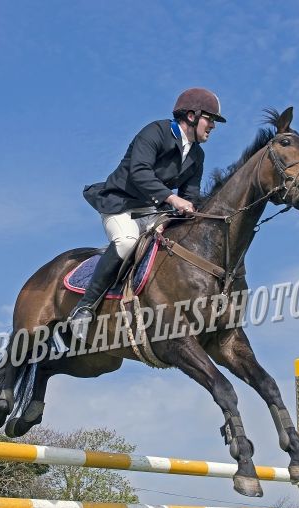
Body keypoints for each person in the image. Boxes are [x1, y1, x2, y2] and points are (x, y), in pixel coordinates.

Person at [69, 88, 226, 330]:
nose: (213, 126)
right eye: (210, 118)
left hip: (153, 211)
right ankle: (85, 308)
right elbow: (140, 172)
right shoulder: (155, 132)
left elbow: (190, 195)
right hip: (120, 204)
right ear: (192, 116)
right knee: (126, 242)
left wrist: (179, 216)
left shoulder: (197, 155)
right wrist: (172, 200)